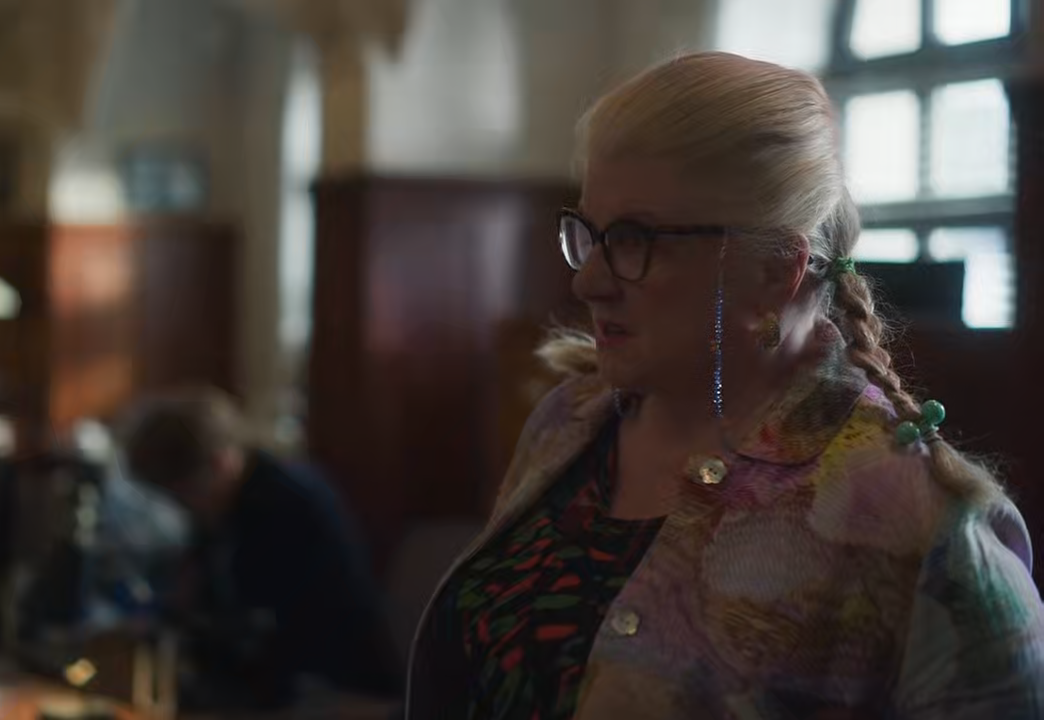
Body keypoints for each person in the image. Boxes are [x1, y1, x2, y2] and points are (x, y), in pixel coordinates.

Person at [407, 52, 1044, 719]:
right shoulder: (567, 422)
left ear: (775, 268)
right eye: (590, 235)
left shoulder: (919, 523)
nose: (587, 281)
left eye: (635, 239)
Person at [120, 386, 402, 708]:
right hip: (284, 685)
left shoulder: (287, 506)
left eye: (183, 493)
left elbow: (272, 633)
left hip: (338, 694)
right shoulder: (224, 508)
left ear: (220, 462)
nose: (181, 508)